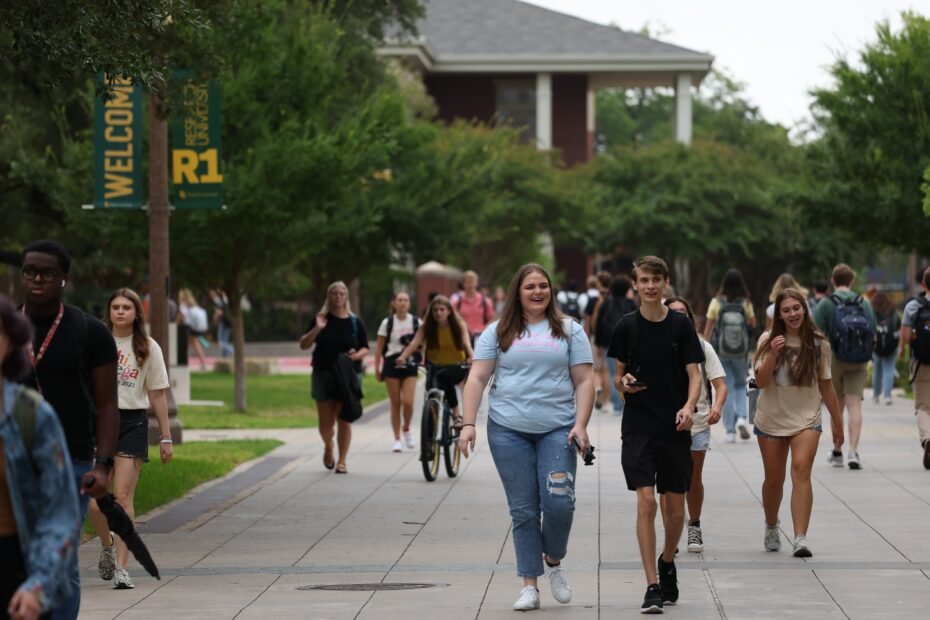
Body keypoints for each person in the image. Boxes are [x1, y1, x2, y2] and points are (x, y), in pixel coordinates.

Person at [458, 263, 594, 611]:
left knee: (560, 503)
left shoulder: (569, 330)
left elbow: (583, 380)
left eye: (543, 286)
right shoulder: (497, 332)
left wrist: (581, 424)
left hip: (558, 429)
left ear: (551, 291)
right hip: (508, 430)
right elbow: (476, 379)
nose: (537, 292)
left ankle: (554, 559)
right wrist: (469, 423)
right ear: (518, 292)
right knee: (524, 511)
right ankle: (529, 585)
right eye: (530, 286)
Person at [19, 240, 118, 620]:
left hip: (70, 462)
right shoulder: (8, 328)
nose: (37, 279)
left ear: (64, 279)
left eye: (47, 273)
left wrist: (103, 465)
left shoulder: (89, 331)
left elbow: (107, 404)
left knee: (60, 556)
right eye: (30, 271)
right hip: (14, 460)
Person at [607, 256, 704, 614]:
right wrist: (624, 384)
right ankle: (651, 585)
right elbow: (617, 374)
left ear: (665, 283)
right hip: (638, 426)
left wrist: (689, 406)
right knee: (646, 502)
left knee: (675, 513)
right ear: (635, 284)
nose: (650, 286)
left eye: (656, 280)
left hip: (675, 425)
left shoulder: (680, 326)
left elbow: (694, 374)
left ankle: (667, 561)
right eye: (644, 280)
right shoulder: (626, 327)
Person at [1, 294, 80, 620]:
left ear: (10, 343)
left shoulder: (31, 415)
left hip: (14, 576)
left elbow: (60, 513)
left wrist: (39, 584)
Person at [87, 289, 172, 590]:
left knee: (122, 497)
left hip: (132, 422)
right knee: (95, 498)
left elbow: (157, 393)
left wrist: (165, 436)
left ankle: (123, 568)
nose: (121, 312)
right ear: (109, 311)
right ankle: (107, 543)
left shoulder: (148, 347)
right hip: (98, 421)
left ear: (137, 313)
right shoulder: (95, 341)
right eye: (115, 307)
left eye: (127, 307)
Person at [753, 288, 844, 558]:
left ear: (804, 309)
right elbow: (760, 382)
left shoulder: (818, 343)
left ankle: (800, 537)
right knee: (773, 480)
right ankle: (771, 525)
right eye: (787, 310)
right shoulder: (768, 339)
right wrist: (772, 353)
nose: (793, 314)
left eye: (797, 308)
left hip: (807, 419)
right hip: (771, 419)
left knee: (801, 471)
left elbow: (827, 387)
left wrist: (838, 424)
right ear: (778, 314)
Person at [660, 296, 726, 554]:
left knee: (691, 478)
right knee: (666, 480)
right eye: (672, 312)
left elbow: (720, 384)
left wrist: (717, 407)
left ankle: (694, 524)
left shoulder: (702, 347)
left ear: (690, 317)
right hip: (663, 424)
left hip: (697, 422)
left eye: (682, 313)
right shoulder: (656, 344)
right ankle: (670, 529)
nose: (678, 317)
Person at [299, 282, 369, 475]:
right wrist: (317, 329)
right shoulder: (321, 319)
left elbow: (365, 347)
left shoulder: (355, 322)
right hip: (324, 373)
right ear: (329, 297)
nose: (338, 297)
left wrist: (356, 356)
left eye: (341, 293)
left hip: (347, 375)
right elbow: (303, 344)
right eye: (334, 293)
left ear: (346, 297)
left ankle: (342, 461)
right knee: (326, 424)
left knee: (344, 419)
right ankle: (328, 445)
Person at [813, 264, 876, 470]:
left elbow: (816, 332)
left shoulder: (826, 304)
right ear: (852, 281)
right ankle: (853, 452)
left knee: (836, 406)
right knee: (855, 405)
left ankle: (837, 450)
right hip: (859, 358)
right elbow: (872, 330)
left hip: (835, 358)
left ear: (833, 280)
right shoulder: (864, 303)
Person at [397, 296, 473, 426]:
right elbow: (415, 342)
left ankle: (456, 415)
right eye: (435, 310)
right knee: (430, 396)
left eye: (442, 309)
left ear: (449, 311)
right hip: (434, 366)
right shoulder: (427, 327)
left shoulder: (458, 325)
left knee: (445, 378)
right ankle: (430, 435)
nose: (438, 313)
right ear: (431, 313)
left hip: (456, 366)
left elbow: (466, 342)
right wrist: (403, 357)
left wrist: (471, 356)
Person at [703, 269, 756, 443]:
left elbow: (708, 329)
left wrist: (704, 347)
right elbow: (753, 324)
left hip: (721, 352)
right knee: (741, 385)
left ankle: (730, 431)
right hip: (741, 352)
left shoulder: (716, 303)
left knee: (725, 387)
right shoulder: (745, 303)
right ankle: (741, 417)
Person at [373, 292, 419, 452]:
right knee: (395, 403)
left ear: (409, 303)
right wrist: (377, 367)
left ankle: (406, 428)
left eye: (405, 300)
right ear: (394, 303)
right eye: (399, 300)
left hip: (410, 363)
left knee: (408, 402)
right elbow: (379, 347)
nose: (402, 303)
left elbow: (423, 343)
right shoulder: (387, 323)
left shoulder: (415, 322)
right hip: (391, 363)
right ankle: (397, 438)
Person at [899, 267, 930, 469]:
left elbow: (906, 335)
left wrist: (903, 349)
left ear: (923, 284)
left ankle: (927, 438)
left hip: (922, 362)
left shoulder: (914, 306)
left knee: (923, 406)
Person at [594, 275, 636, 416]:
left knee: (613, 373)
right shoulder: (631, 304)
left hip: (609, 343)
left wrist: (598, 344)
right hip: (629, 344)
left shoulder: (606, 304)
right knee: (629, 373)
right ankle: (627, 404)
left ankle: (618, 406)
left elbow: (599, 325)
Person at [871, 292, 899, 405]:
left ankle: (876, 395)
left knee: (877, 371)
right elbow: (898, 327)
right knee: (889, 369)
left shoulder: (873, 312)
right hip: (891, 346)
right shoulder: (893, 312)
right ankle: (887, 396)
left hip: (876, 346)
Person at [451, 271, 494, 345]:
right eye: (468, 282)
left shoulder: (485, 301)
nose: (470, 285)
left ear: (477, 283)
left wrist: (484, 330)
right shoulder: (457, 302)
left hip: (480, 338)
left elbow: (492, 320)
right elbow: (452, 320)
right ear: (463, 284)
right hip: (462, 339)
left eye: (473, 282)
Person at [178, 289, 208, 370]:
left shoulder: (183, 305)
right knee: (191, 344)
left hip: (188, 327)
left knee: (193, 344)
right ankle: (201, 362)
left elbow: (182, 316)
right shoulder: (193, 304)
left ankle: (201, 363)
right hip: (195, 327)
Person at [209, 289, 233, 358]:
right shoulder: (226, 300)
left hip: (223, 322)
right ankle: (225, 356)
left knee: (221, 342)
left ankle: (232, 350)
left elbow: (219, 311)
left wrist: (215, 318)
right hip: (228, 322)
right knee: (225, 340)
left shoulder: (217, 301)